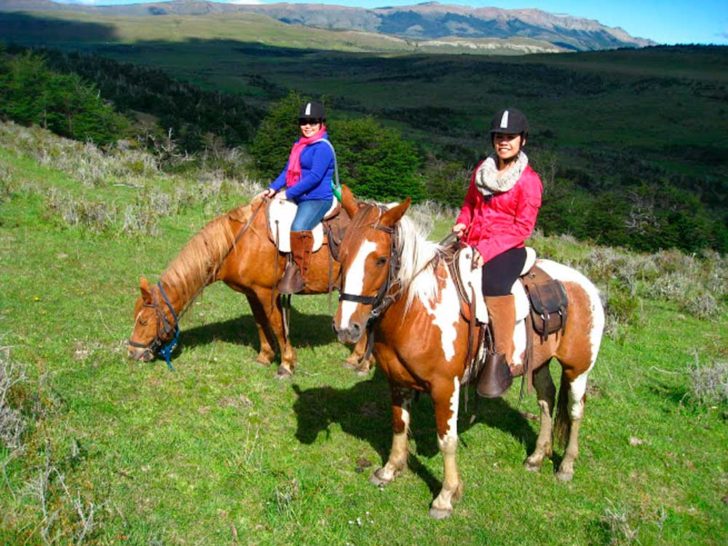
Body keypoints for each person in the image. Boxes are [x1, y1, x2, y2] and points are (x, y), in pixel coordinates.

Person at [452, 107, 543, 398]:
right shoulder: (483, 169)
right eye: (499, 136)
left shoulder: (530, 181)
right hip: (472, 240)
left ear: (522, 140)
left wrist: (486, 250)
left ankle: (500, 358)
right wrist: (462, 222)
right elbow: (470, 203)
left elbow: (522, 228)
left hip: (507, 247)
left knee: (492, 283)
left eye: (510, 137)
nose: (504, 142)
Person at [258, 101, 335, 294]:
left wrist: (289, 193)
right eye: (303, 121)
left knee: (298, 226)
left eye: (312, 121)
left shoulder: (323, 148)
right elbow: (287, 171)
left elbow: (315, 177)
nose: (307, 126)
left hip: (317, 199)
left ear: (321, 123)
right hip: (300, 195)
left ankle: (299, 273)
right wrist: (273, 188)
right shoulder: (300, 145)